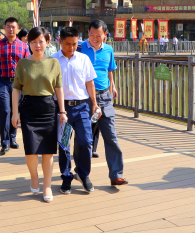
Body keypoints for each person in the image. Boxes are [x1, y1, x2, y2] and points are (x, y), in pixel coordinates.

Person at [11, 27, 66, 203]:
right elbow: (15, 89)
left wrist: (62, 111)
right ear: (29, 43)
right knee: (30, 151)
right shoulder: (23, 63)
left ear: (47, 42)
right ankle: (34, 176)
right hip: (28, 108)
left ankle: (47, 185)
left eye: (41, 41)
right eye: (33, 41)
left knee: (49, 151)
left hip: (48, 108)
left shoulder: (53, 63)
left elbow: (58, 88)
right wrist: (14, 112)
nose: (37, 45)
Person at [78, 20, 128, 186]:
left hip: (105, 97)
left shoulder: (108, 49)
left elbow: (109, 70)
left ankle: (116, 175)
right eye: (91, 34)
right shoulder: (80, 48)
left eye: (98, 35)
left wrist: (113, 86)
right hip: (84, 98)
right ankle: (81, 171)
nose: (94, 38)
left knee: (111, 136)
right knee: (83, 138)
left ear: (105, 35)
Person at [52, 27, 99, 194]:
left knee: (86, 141)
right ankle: (66, 177)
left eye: (74, 44)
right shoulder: (53, 60)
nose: (71, 47)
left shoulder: (84, 59)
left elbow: (89, 83)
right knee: (64, 144)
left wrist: (94, 103)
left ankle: (83, 174)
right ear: (60, 41)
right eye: (67, 44)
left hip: (82, 107)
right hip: (62, 109)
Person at [0, 17, 31, 154]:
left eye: (13, 27)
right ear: (4, 28)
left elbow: (29, 66)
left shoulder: (23, 46)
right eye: (8, 26)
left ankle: (13, 137)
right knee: (4, 110)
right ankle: (4, 141)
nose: (11, 29)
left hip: (18, 84)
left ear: (17, 29)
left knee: (15, 110)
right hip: (2, 82)